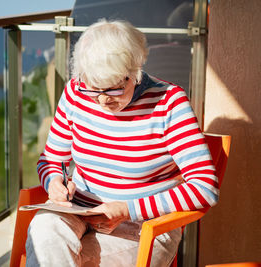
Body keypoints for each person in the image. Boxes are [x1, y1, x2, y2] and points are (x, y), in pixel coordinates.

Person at [26, 19, 218, 267]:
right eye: (94, 88)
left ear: (135, 72)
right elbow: (51, 160)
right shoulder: (76, 92)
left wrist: (128, 210)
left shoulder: (169, 103)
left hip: (142, 225)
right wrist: (54, 181)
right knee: (43, 231)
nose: (103, 100)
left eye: (114, 89)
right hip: (78, 210)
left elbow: (204, 187)